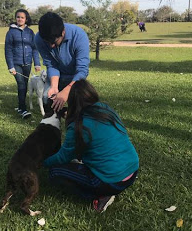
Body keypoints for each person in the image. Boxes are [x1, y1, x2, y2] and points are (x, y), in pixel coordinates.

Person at [43, 79, 139, 213]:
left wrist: (42, 162)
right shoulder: (105, 108)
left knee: (55, 172)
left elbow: (63, 157)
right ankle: (104, 187)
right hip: (132, 171)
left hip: (111, 180)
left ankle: (101, 195)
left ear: (72, 101)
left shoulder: (78, 126)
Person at [34, 12, 90, 112]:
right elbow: (51, 64)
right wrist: (54, 87)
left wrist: (67, 90)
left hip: (76, 77)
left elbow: (82, 70)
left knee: (80, 106)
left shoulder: (79, 36)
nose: (51, 46)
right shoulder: (39, 38)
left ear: (63, 32)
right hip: (57, 76)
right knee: (47, 99)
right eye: (48, 42)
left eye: (54, 42)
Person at [5, 9, 41, 119]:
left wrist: (37, 63)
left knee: (24, 86)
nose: (19, 19)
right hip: (16, 63)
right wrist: (10, 66)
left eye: (22, 17)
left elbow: (35, 48)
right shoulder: (11, 32)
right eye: (18, 17)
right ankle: (23, 110)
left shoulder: (30, 32)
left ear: (26, 19)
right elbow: (8, 50)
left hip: (28, 63)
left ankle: (20, 106)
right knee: (21, 85)